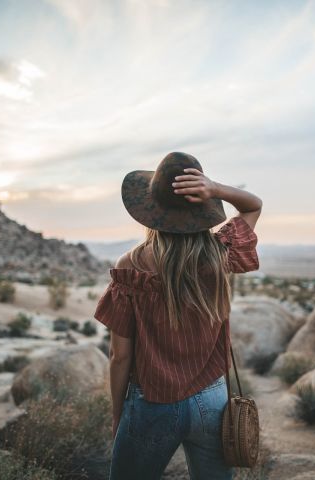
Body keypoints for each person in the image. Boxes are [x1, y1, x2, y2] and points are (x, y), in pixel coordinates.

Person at [94, 151, 262, 480]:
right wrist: (216, 189)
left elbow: (120, 355)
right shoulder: (220, 254)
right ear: (202, 207)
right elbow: (253, 205)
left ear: (150, 212)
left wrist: (118, 415)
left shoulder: (132, 266)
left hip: (152, 403)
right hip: (213, 399)